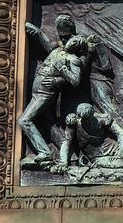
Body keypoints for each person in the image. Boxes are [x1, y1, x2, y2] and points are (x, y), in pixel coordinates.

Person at [19, 35, 88, 165]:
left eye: (77, 42)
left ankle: (45, 152)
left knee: (25, 121)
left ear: (78, 48)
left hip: (45, 94)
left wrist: (61, 71)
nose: (73, 42)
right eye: (73, 39)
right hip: (37, 90)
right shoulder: (58, 50)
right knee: (48, 124)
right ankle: (72, 157)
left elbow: (75, 80)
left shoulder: (73, 60)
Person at [56, 103, 123, 172]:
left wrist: (120, 153)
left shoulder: (103, 119)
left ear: (93, 113)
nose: (87, 122)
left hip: (114, 150)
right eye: (84, 120)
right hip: (99, 158)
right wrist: (63, 162)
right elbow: (66, 141)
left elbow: (122, 134)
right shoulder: (74, 123)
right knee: (119, 164)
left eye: (89, 119)